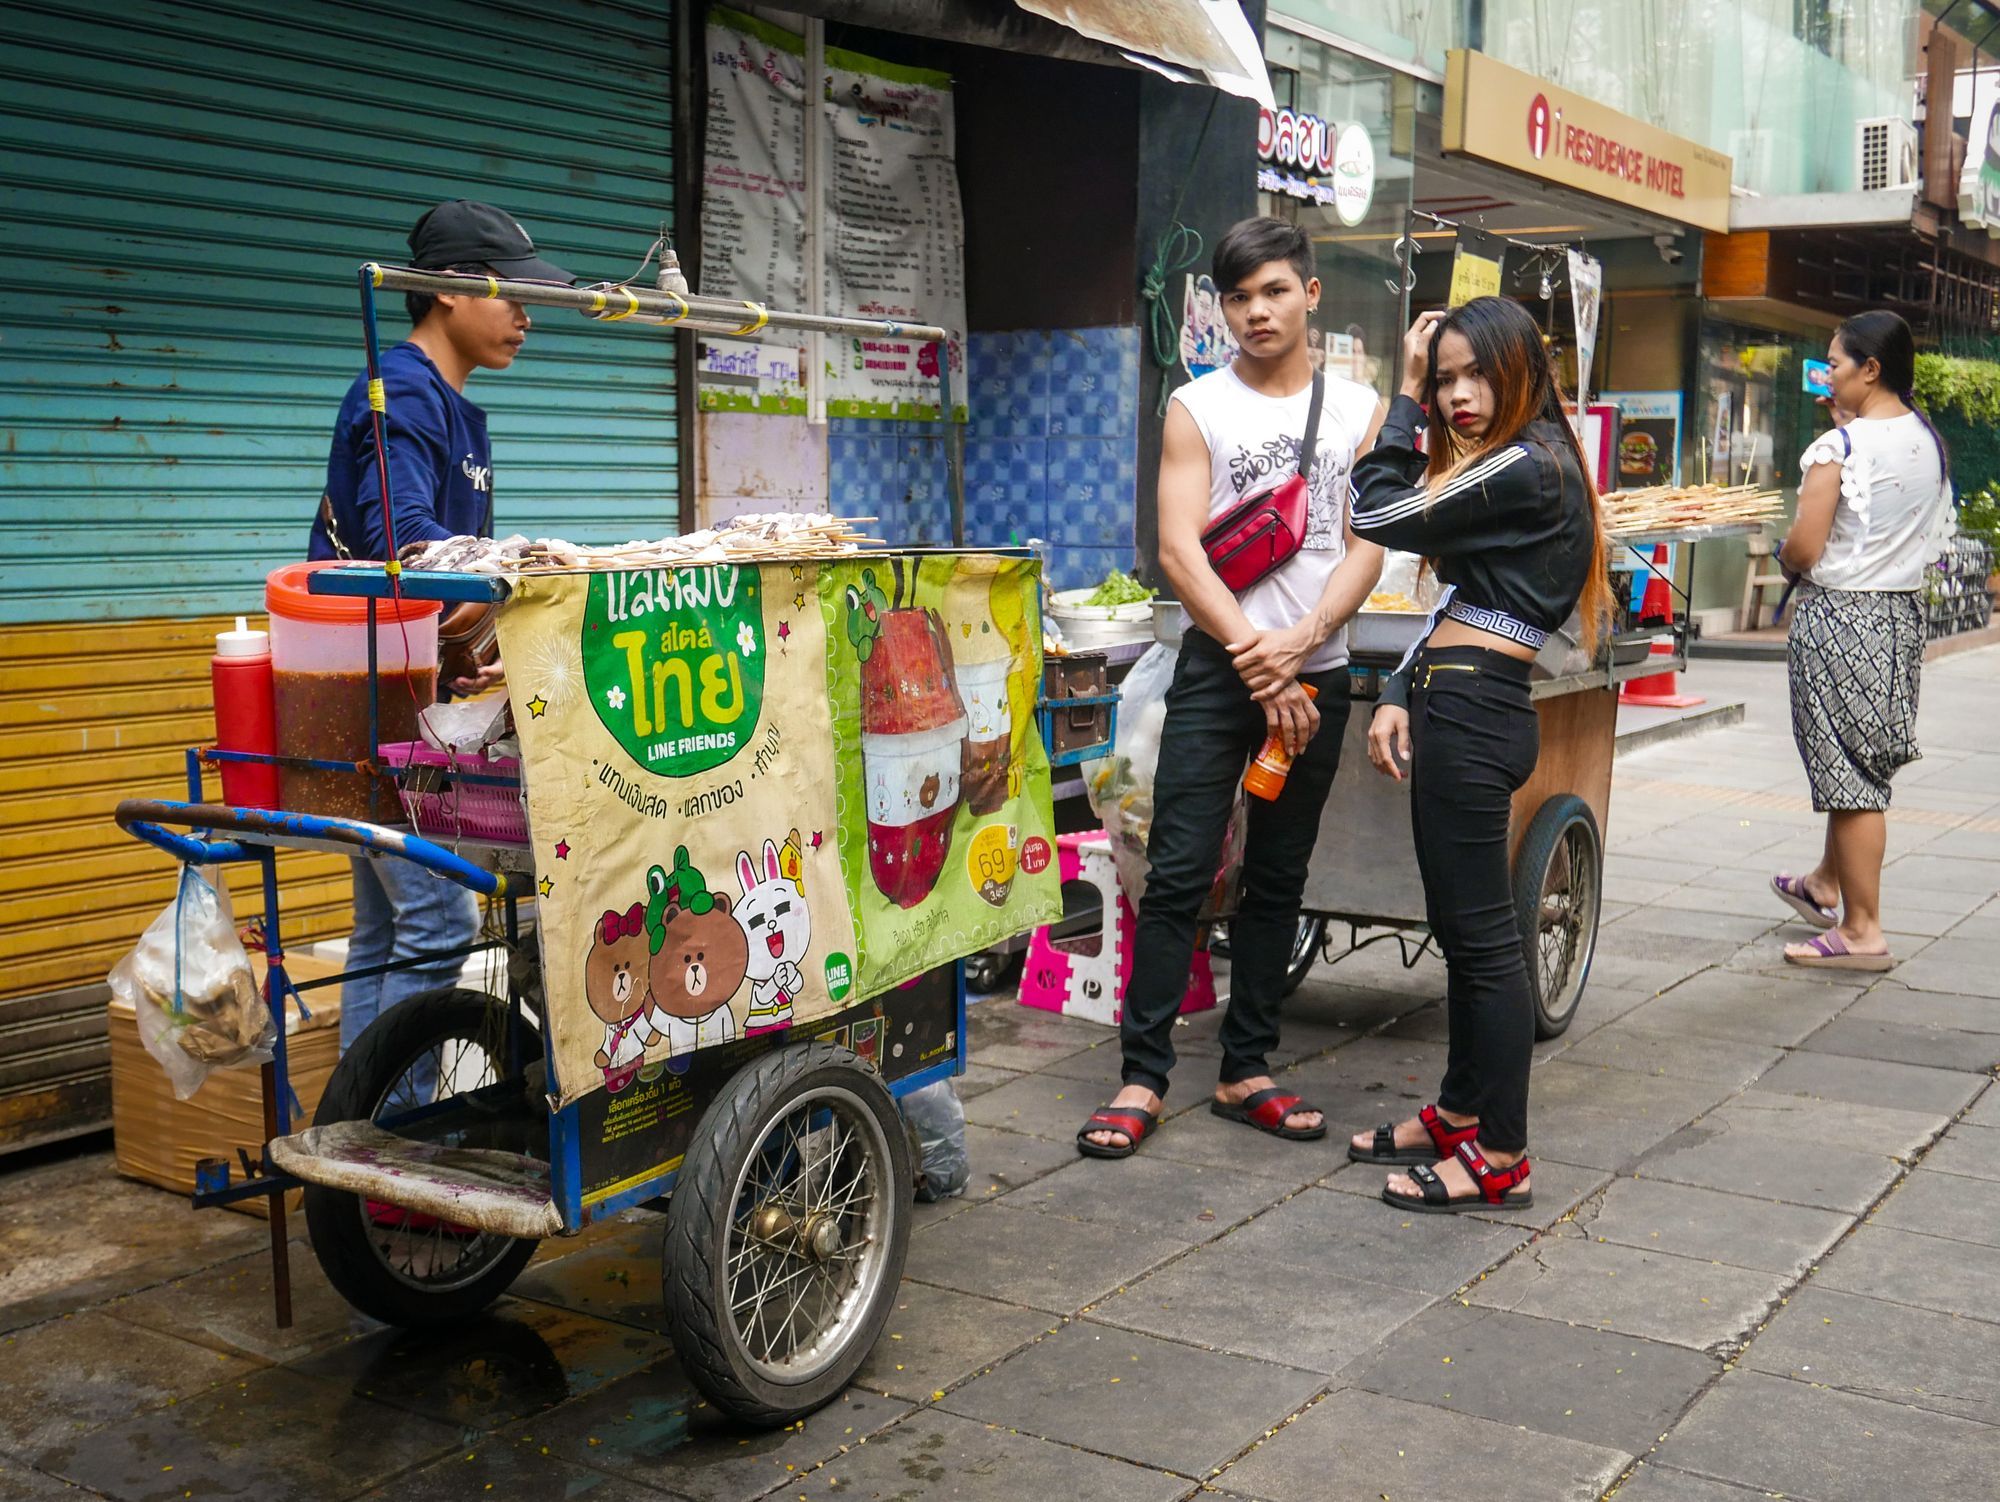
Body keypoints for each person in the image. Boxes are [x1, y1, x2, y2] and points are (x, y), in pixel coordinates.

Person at [1077, 217, 1385, 1159]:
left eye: (1276, 291)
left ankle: (1246, 1067)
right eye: (1240, 296)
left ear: (1310, 294)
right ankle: (1142, 1075)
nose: (1258, 312)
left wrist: (1305, 641)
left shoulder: (1359, 409)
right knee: (1177, 870)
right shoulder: (1196, 405)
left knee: (1279, 877)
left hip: (1316, 672)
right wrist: (1258, 655)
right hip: (1221, 670)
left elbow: (1368, 544)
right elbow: (1179, 551)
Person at [1343, 297, 1609, 1213]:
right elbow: (1463, 607)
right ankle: (1462, 1111)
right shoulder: (1521, 463)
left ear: (1522, 368)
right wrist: (1396, 689)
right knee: (1462, 932)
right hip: (1457, 699)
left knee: (1486, 941)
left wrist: (1405, 392)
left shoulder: (1526, 465)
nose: (1458, 395)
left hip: (1474, 710)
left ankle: (1501, 1153)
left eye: (1475, 375)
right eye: (1445, 378)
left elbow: (1373, 509)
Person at [311, 199, 571, 1060]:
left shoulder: (447, 402)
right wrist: (524, 561)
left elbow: (438, 580)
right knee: (436, 925)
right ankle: (391, 1132)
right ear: (452, 289)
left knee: (386, 933)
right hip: (376, 701)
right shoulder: (404, 391)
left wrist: (479, 645)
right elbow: (405, 544)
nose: (528, 316)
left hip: (399, 695)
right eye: (513, 295)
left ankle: (358, 1123)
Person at [1770, 310, 1951, 971]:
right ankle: (1826, 882)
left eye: (1835, 364)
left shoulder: (1837, 449)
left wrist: (1785, 553)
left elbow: (1804, 548)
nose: (1827, 377)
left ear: (1870, 369)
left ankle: (1861, 930)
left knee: (1851, 777)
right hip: (1899, 617)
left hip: (1842, 618)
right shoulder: (1927, 440)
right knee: (1859, 760)